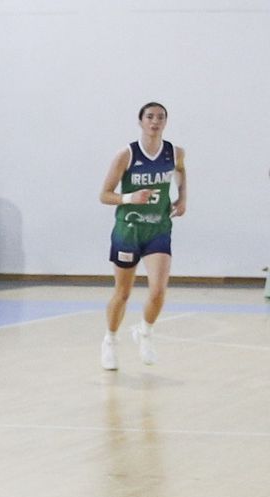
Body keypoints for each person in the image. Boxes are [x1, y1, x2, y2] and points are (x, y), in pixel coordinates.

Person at [98, 101, 185, 370]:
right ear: (140, 121)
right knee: (123, 293)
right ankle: (110, 340)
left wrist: (183, 197)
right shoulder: (126, 155)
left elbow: (180, 171)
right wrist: (130, 197)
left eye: (160, 117)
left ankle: (145, 332)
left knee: (158, 291)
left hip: (158, 228)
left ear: (165, 122)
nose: (155, 121)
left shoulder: (174, 152)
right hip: (129, 229)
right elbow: (104, 195)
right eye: (150, 116)